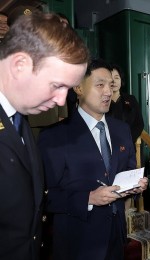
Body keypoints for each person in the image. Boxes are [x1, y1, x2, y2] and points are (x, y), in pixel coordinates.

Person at [38, 59, 148, 260]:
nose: (108, 91)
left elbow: (126, 172)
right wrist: (89, 198)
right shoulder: (54, 137)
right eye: (100, 85)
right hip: (77, 242)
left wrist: (135, 185)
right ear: (78, 88)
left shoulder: (122, 130)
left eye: (110, 85)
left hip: (116, 238)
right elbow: (46, 198)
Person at [0, 12, 89, 260]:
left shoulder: (19, 120)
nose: (62, 100)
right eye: (57, 85)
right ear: (20, 65)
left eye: (68, 89)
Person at [107, 63, 144, 145]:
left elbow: (139, 124)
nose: (114, 81)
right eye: (110, 78)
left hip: (128, 146)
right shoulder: (102, 101)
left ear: (121, 80)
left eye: (117, 77)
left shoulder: (131, 99)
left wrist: (128, 140)